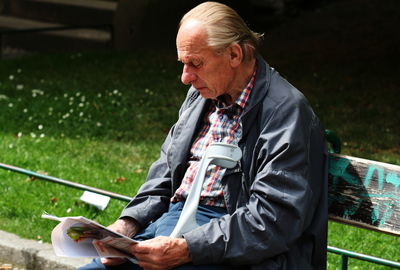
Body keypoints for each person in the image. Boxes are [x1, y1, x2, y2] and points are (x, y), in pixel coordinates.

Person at [78, 2, 328, 270]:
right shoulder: (201, 95)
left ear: (234, 55)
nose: (185, 77)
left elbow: (274, 219)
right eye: (183, 63)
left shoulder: (285, 111)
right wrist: (125, 227)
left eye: (195, 63)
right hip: (174, 227)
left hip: (239, 247)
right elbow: (166, 172)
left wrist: (188, 248)